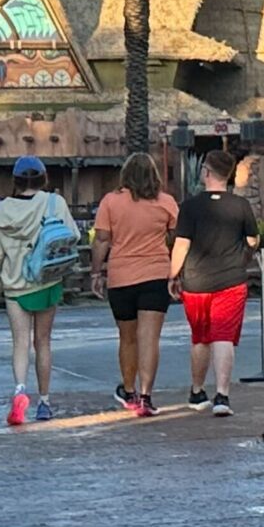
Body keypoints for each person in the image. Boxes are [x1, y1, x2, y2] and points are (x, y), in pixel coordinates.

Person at [0, 154, 76, 425]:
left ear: (15, 181)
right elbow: (73, 234)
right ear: (43, 178)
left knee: (20, 343)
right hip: (47, 279)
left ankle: (19, 392)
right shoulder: (54, 203)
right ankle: (45, 401)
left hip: (15, 284)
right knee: (43, 342)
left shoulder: (1, 211)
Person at [172, 147, 260, 416]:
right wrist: (244, 256)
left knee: (200, 338)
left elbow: (181, 245)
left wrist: (173, 274)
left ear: (207, 172)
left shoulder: (189, 207)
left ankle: (198, 390)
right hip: (231, 279)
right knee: (223, 337)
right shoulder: (240, 206)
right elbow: (253, 240)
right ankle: (222, 395)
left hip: (196, 282)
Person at [92, 152, 177, 415]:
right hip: (156, 274)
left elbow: (102, 240)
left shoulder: (111, 202)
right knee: (149, 338)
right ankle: (146, 396)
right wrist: (177, 271)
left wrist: (96, 273)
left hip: (121, 277)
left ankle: (129, 391)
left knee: (127, 337)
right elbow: (177, 237)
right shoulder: (166, 202)